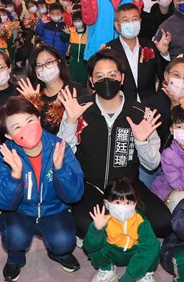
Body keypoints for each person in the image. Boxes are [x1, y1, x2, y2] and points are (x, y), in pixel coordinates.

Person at [59, 49, 171, 238]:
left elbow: (152, 164)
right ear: (92, 81)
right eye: (100, 76)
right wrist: (70, 122)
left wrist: (141, 141)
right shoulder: (78, 108)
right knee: (84, 227)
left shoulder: (140, 113)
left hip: (128, 188)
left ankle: (121, 230)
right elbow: (62, 155)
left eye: (112, 75)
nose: (107, 80)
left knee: (163, 223)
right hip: (90, 187)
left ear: (122, 78)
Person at [0, 97, 84, 282]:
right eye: (17, 127)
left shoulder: (59, 147)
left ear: (39, 119)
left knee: (64, 242)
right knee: (15, 237)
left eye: (29, 121)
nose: (26, 129)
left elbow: (75, 195)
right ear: (9, 135)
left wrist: (60, 170)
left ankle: (58, 253)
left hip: (53, 209)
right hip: (19, 211)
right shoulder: (6, 155)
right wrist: (14, 176)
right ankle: (15, 257)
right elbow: (2, 202)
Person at [83, 178, 160, 282]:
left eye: (128, 203)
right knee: (95, 246)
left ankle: (145, 273)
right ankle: (106, 269)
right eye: (118, 202)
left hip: (135, 253)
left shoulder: (141, 222)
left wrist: (130, 276)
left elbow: (149, 248)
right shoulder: (104, 220)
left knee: (153, 246)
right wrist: (97, 229)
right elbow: (88, 247)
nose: (123, 207)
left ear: (135, 203)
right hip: (112, 253)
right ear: (107, 204)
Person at [104, 3, 167, 104]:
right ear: (117, 25)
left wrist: (164, 54)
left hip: (150, 105)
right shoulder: (110, 50)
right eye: (126, 20)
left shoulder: (149, 45)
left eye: (134, 19)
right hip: (121, 105)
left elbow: (163, 75)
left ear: (140, 21)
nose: (131, 23)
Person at [16, 44, 80, 135]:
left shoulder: (76, 91)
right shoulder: (34, 96)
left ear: (59, 62)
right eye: (39, 65)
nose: (44, 68)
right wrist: (33, 104)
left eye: (49, 62)